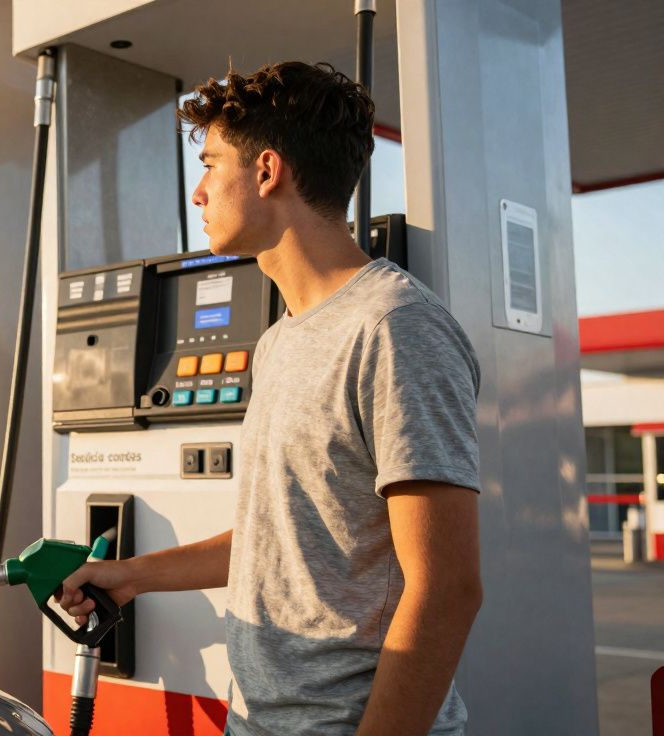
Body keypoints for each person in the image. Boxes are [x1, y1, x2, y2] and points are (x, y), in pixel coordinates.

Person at [55, 61, 483, 736]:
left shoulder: (396, 329)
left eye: (211, 164)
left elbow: (447, 590)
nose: (198, 192)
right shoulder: (281, 340)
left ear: (267, 171)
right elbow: (283, 539)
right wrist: (131, 574)